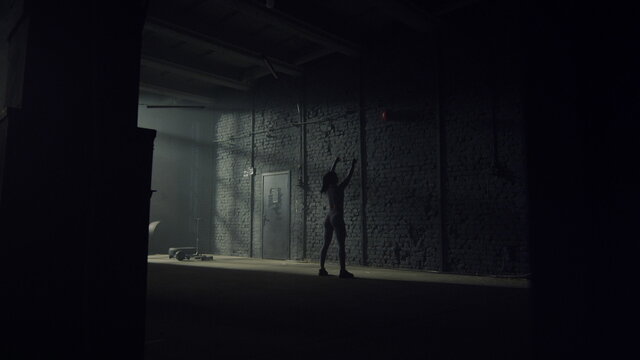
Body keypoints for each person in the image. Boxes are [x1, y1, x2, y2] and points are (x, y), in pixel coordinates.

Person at [319, 156, 357, 278]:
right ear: (334, 179)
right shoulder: (339, 188)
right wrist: (353, 165)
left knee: (326, 244)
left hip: (329, 216)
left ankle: (322, 269)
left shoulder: (328, 188)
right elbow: (348, 177)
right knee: (341, 246)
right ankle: (342, 270)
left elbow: (331, 173)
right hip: (337, 216)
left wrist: (335, 163)